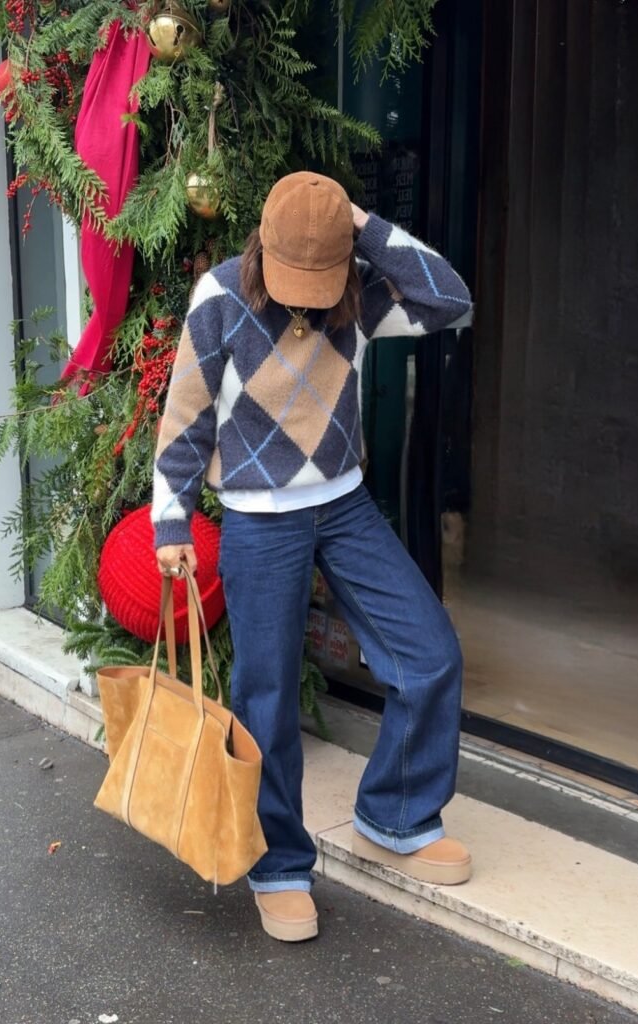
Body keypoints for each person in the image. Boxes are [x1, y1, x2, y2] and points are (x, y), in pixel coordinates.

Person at [152, 171, 473, 943]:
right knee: (265, 699)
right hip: (259, 520)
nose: (304, 295)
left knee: (427, 653)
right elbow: (186, 417)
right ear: (261, 245)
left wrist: (363, 227)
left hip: (344, 507)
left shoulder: (356, 294)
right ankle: (279, 866)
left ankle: (395, 817)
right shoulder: (220, 298)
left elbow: (448, 300)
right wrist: (170, 523)